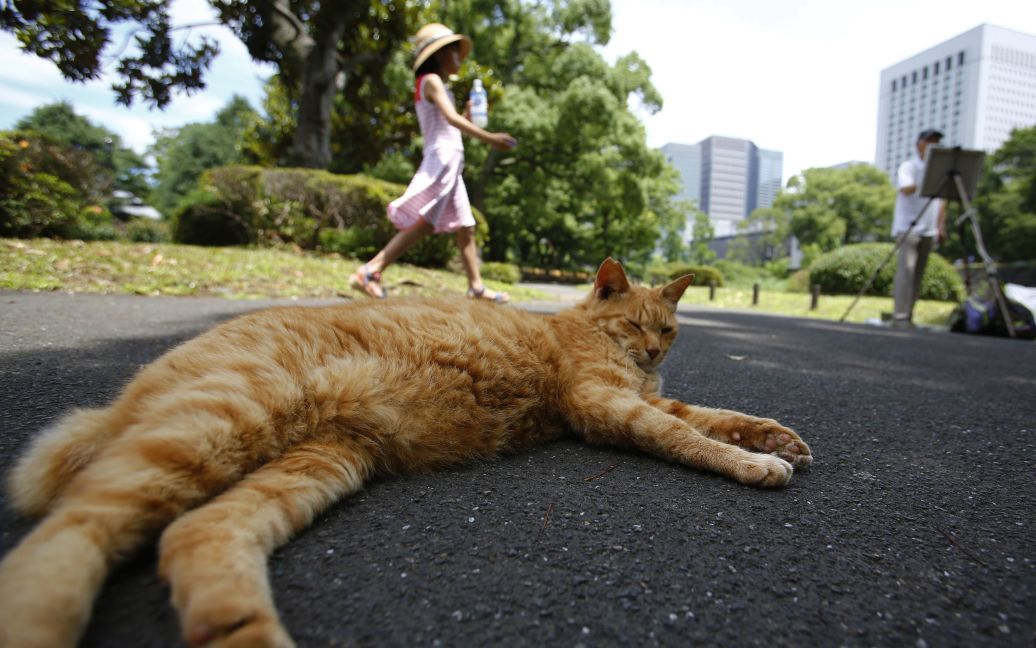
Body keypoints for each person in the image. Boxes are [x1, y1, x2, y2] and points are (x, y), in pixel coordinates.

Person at [350, 23, 518, 302]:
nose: (459, 58)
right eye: (454, 51)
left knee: (466, 226)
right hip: (443, 157)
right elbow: (451, 122)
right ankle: (370, 270)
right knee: (427, 221)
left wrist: (467, 112)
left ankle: (476, 287)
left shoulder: (437, 85)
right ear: (438, 54)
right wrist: (491, 139)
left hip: (451, 159)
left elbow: (453, 119)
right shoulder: (432, 81)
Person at [891, 128, 947, 327]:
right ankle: (899, 316)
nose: (934, 145)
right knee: (906, 270)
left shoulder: (942, 171)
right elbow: (906, 189)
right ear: (919, 144)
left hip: (929, 229)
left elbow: (942, 201)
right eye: (930, 141)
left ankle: (909, 314)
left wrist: (941, 226)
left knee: (919, 274)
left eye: (937, 142)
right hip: (908, 228)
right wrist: (928, 176)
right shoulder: (909, 166)